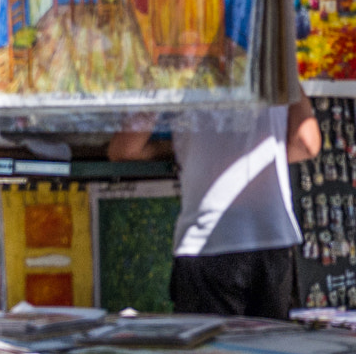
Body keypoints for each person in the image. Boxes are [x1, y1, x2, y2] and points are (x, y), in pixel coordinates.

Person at [108, 96, 322, 319]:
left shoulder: (182, 75)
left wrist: (175, 148)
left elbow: (125, 149)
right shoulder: (274, 69)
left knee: (212, 350)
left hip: (208, 241)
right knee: (269, 348)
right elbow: (307, 143)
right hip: (273, 237)